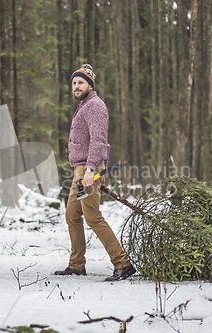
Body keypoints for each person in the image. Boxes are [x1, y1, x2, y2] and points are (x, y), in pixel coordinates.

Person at [54, 64, 136, 282]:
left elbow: (99, 140)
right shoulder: (84, 105)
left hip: (89, 170)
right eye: (74, 83)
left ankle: (123, 263)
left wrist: (90, 169)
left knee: (92, 216)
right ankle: (76, 264)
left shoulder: (95, 106)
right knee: (72, 215)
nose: (76, 86)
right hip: (80, 172)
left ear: (90, 84)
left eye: (81, 82)